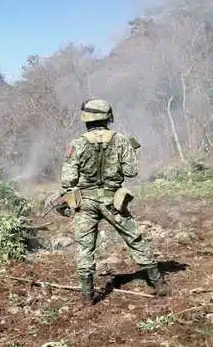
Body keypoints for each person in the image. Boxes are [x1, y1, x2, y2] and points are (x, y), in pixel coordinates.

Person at [59, 99, 170, 305]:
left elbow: (68, 180)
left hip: (86, 203)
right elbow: (131, 171)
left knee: (85, 248)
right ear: (107, 116)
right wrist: (132, 151)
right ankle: (159, 284)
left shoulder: (77, 144)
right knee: (134, 239)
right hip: (113, 200)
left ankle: (87, 296)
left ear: (86, 119)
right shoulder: (120, 140)